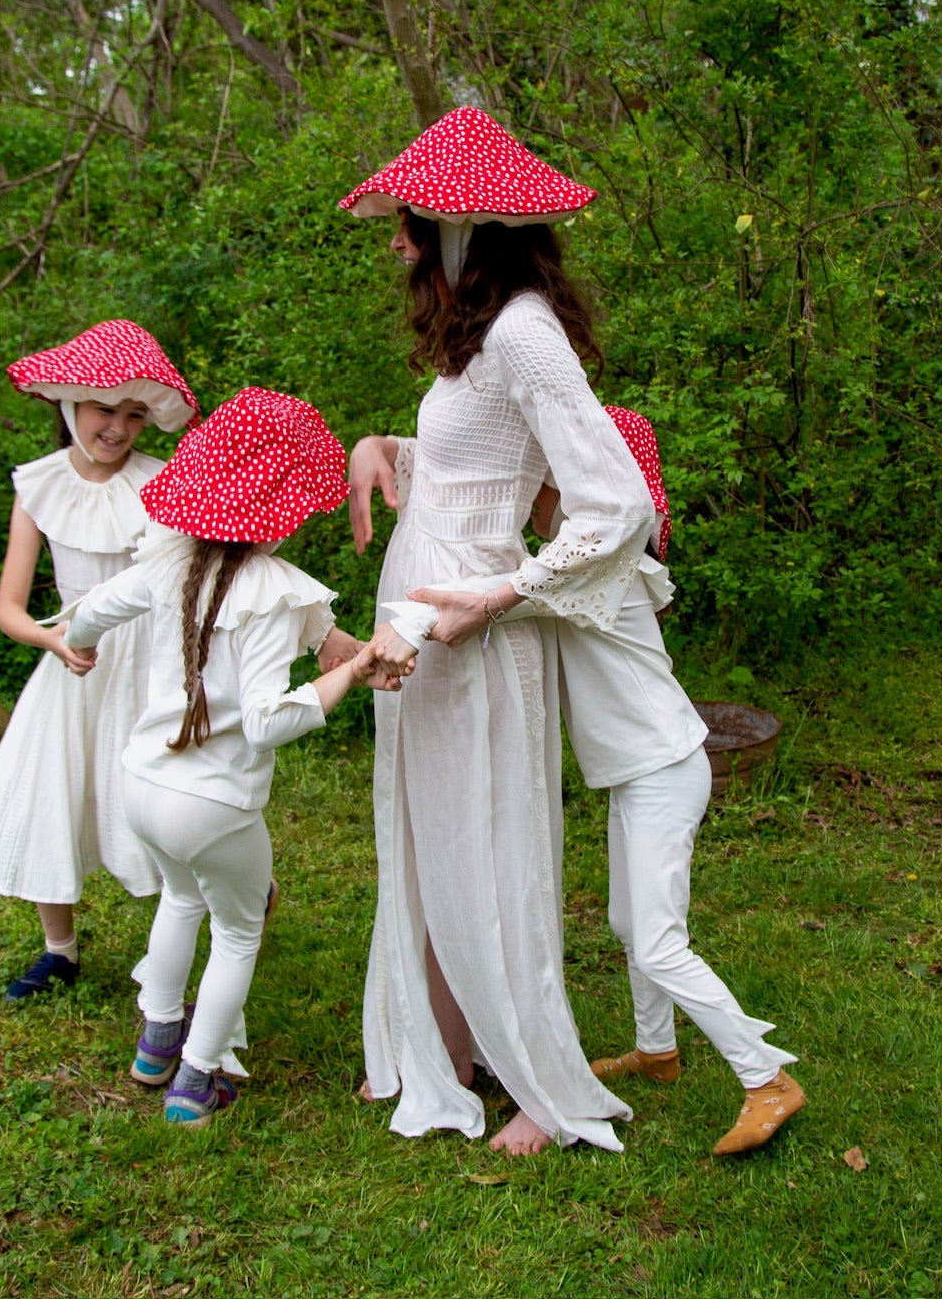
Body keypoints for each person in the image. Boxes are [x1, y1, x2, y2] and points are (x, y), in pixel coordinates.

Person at [340, 107, 656, 1155]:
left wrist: (504, 594)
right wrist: (380, 445)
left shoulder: (523, 332)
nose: (395, 240)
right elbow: (482, 466)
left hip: (474, 629)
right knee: (435, 835)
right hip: (423, 617)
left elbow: (616, 505)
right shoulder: (479, 336)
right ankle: (449, 1047)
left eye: (408, 222)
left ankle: (539, 1089)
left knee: (494, 841)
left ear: (459, 230)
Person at [58, 387, 400, 1126]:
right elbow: (269, 721)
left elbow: (90, 610)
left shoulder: (170, 557)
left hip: (142, 783)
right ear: (289, 507)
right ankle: (196, 1081)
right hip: (213, 804)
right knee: (240, 929)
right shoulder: (271, 592)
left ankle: (155, 1048)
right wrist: (345, 675)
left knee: (182, 900)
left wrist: (76, 640)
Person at [528, 407, 806, 1156]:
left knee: (656, 942)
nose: (532, 492)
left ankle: (767, 1079)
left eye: (546, 477)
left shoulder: (599, 563)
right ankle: (657, 1052)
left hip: (662, 771)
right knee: (630, 926)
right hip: (640, 771)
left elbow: (509, 598)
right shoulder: (585, 555)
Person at [0, 322, 197, 1000]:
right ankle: (59, 949)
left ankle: (175, 940)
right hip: (75, 659)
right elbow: (10, 607)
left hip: (149, 659)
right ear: (70, 405)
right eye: (104, 409)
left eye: (134, 415)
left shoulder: (163, 483)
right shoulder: (39, 487)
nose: (118, 429)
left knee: (156, 799)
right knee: (54, 795)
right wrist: (54, 640)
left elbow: (185, 576)